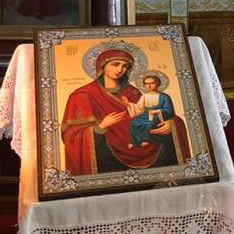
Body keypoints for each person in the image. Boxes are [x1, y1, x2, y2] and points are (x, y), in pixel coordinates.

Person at [61, 49, 190, 175]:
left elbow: (150, 115)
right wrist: (100, 127)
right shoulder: (82, 95)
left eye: (125, 66)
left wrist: (171, 124)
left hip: (145, 148)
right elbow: (71, 136)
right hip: (107, 157)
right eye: (115, 64)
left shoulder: (134, 93)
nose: (120, 70)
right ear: (102, 66)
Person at [127, 74, 176, 149]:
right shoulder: (144, 96)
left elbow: (168, 110)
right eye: (146, 84)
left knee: (149, 124)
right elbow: (139, 107)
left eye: (152, 83)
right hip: (145, 115)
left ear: (158, 84)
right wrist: (127, 103)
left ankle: (146, 140)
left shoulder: (164, 97)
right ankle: (134, 142)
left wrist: (158, 111)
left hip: (158, 116)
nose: (149, 86)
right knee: (133, 123)